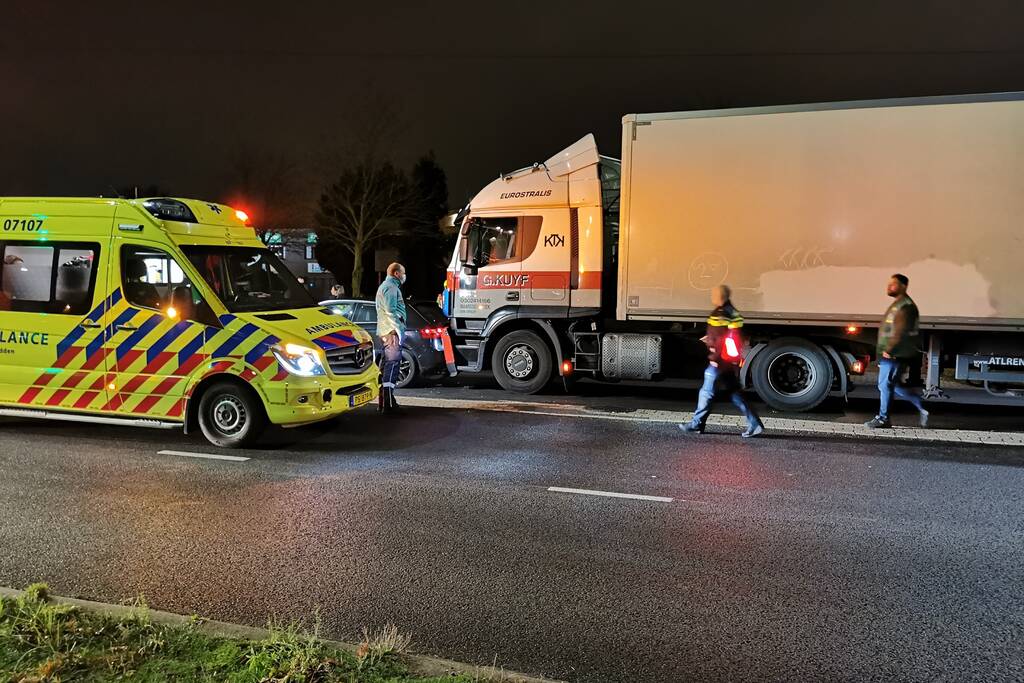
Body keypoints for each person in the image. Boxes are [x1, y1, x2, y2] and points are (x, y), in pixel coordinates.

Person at [680, 285, 764, 438]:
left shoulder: (722, 314)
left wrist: (715, 358)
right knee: (734, 392)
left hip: (720, 361)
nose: (712, 296)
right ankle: (754, 423)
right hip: (728, 361)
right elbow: (732, 335)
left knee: (706, 393)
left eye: (714, 294)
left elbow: (721, 338)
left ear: (720, 296)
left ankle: (697, 424)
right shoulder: (731, 312)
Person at [865, 274, 929, 428]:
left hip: (895, 354)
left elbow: (900, 331)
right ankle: (922, 407)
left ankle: (883, 418)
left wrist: (889, 350)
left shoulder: (905, 306)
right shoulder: (899, 304)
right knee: (894, 385)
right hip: (895, 353)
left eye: (894, 284)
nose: (889, 286)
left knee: (885, 385)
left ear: (903, 286)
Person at [375, 262, 407, 414]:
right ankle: (389, 405)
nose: (404, 276)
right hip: (391, 333)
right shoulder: (391, 287)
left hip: (385, 332)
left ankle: (384, 403)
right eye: (403, 273)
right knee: (392, 367)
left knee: (386, 367)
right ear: (396, 273)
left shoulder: (385, 286)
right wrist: (399, 330)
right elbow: (390, 311)